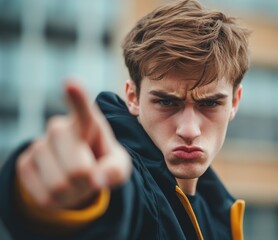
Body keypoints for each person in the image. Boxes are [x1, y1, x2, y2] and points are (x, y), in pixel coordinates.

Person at [0, 0, 250, 239]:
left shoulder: (218, 207)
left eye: (209, 104)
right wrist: (61, 200)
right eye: (166, 102)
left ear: (234, 102)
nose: (188, 130)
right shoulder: (128, 182)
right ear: (132, 97)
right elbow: (119, 207)